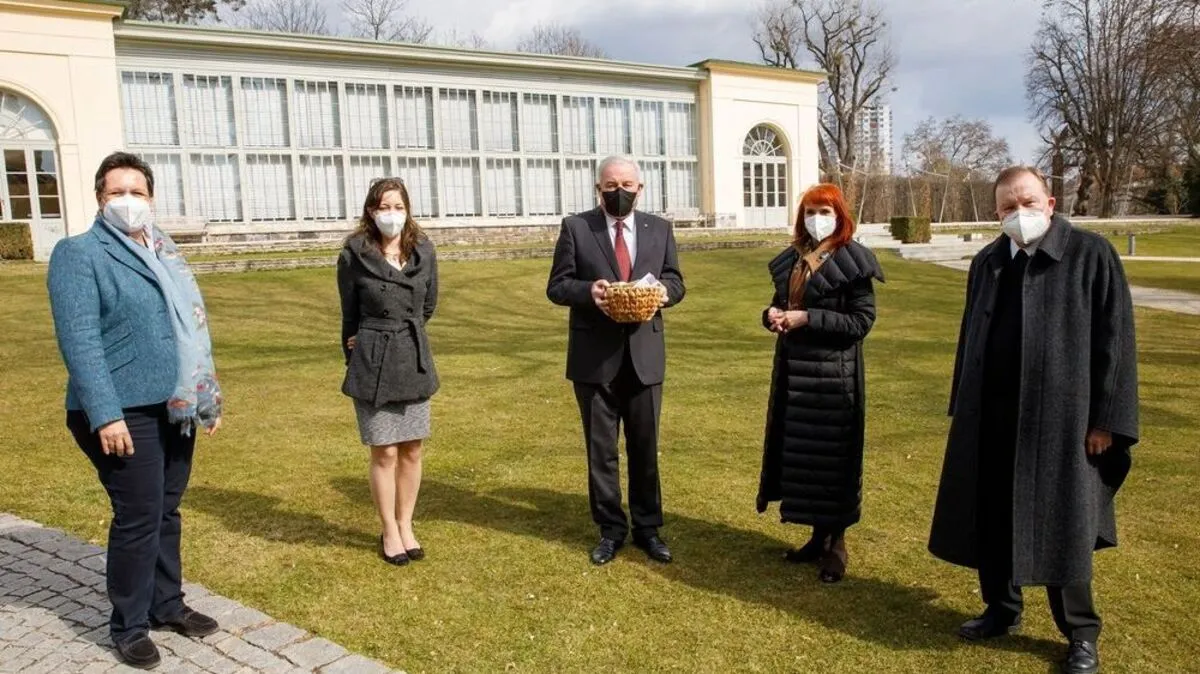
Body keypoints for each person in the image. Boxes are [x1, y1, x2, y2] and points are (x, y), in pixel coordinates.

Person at [929, 166, 1139, 674]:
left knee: (1064, 523)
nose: (1017, 215)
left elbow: (1116, 342)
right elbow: (969, 337)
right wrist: (962, 404)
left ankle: (1080, 634)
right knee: (994, 516)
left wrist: (1106, 420)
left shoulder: (1090, 255)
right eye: (1006, 208)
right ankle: (1002, 609)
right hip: (992, 416)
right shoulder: (988, 261)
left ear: (1049, 201)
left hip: (1062, 421)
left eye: (1026, 202)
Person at [47, 151, 223, 670]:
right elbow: (79, 340)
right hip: (121, 409)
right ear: (100, 199)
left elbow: (189, 329)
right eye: (116, 192)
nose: (128, 201)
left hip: (174, 404)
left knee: (166, 509)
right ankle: (128, 625)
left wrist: (206, 394)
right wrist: (105, 414)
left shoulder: (165, 250)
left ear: (151, 198)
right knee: (139, 515)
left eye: (137, 192)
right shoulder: (79, 253)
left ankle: (167, 604)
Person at [546, 155, 686, 566]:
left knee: (645, 445)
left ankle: (648, 528)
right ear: (598, 189)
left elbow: (676, 280)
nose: (619, 191)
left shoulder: (659, 229)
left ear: (640, 189)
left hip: (645, 355)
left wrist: (664, 293)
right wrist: (589, 291)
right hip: (594, 358)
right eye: (610, 185)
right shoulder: (577, 227)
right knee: (601, 449)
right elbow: (557, 286)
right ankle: (610, 529)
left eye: (626, 184)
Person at [755, 183, 884, 583]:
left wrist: (809, 318)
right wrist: (772, 315)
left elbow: (861, 322)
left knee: (834, 460)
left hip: (834, 376)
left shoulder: (853, 260)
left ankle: (837, 546)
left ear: (840, 215)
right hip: (797, 374)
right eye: (810, 211)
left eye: (824, 211)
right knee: (806, 459)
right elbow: (783, 304)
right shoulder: (794, 259)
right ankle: (816, 538)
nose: (817, 218)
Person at [337, 177, 439, 567]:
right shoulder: (354, 253)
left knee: (412, 449)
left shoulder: (423, 250)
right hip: (372, 358)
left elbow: (427, 305)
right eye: (383, 207)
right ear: (370, 211)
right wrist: (357, 345)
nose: (391, 215)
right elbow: (349, 311)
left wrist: (403, 330)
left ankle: (406, 523)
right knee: (385, 452)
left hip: (411, 355)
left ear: (408, 209)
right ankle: (389, 530)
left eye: (397, 207)